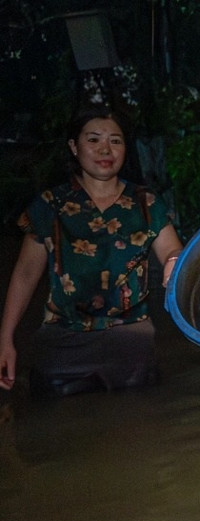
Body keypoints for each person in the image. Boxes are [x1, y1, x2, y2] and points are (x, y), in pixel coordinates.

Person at [0, 104, 183, 398]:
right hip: (62, 342)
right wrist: (5, 339)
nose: (105, 150)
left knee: (143, 427)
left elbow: (173, 251)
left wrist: (175, 263)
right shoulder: (50, 205)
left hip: (131, 342)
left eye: (115, 140)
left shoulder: (146, 203)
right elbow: (24, 275)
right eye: (93, 139)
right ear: (74, 146)